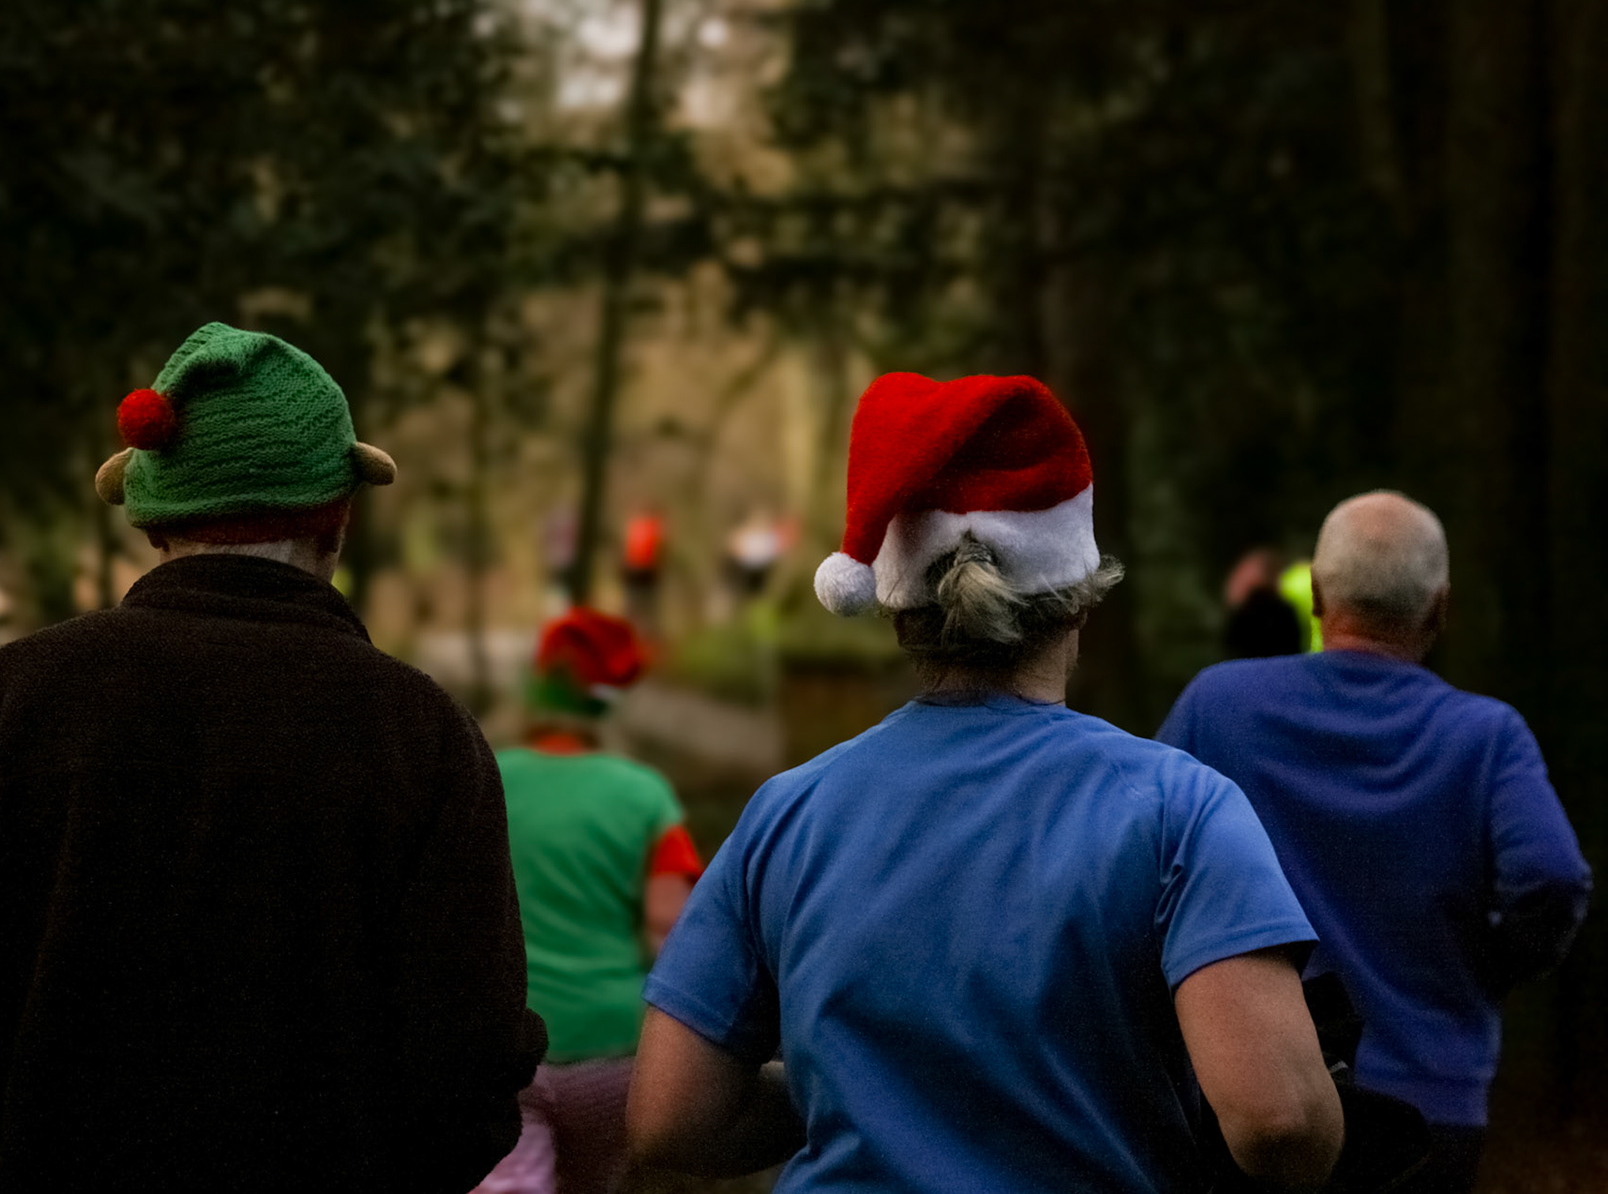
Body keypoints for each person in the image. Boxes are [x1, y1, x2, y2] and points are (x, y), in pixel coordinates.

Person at [0, 323, 546, 1191]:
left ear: (152, 521)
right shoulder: (419, 732)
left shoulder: (1, 701)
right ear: (338, 519)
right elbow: (471, 1043)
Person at [629, 373, 1344, 1193]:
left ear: (901, 614)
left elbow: (669, 1117)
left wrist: (856, 1094)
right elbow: (1277, 1119)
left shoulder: (786, 814)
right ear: (1079, 600)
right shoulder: (1180, 808)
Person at [1159, 490, 1592, 1193]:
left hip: (1256, 1097)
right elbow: (1551, 876)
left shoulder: (1218, 706)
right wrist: (1491, 964)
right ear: (1440, 607)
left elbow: (1145, 867)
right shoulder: (1487, 736)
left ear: (1319, 597)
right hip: (1431, 1099)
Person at [476, 607, 702, 1194]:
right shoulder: (646, 796)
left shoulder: (486, 780)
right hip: (612, 1049)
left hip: (505, 1048)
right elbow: (668, 927)